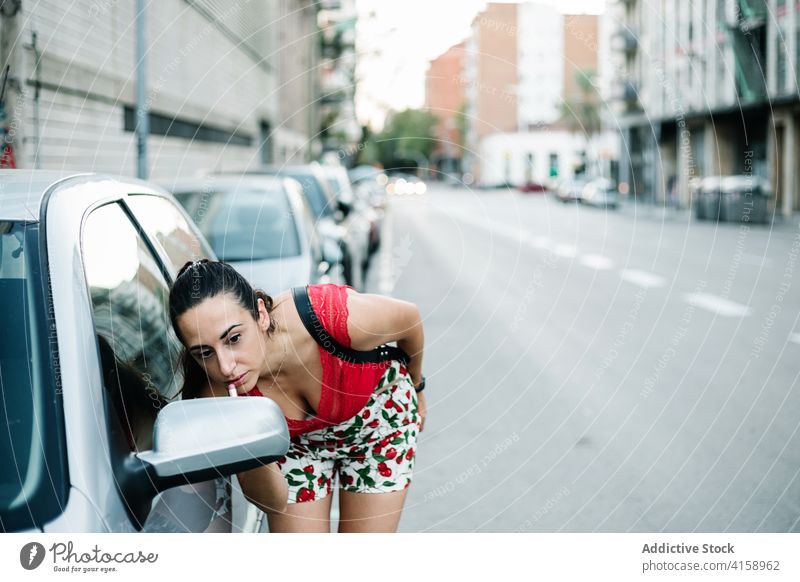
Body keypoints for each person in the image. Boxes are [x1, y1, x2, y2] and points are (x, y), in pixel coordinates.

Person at [168, 259, 426, 533]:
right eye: (205, 353)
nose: (225, 367)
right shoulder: (215, 396)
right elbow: (270, 501)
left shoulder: (332, 317)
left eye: (233, 339)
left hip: (378, 422)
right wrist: (248, 437)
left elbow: (410, 320)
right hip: (296, 446)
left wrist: (419, 389)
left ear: (261, 314)